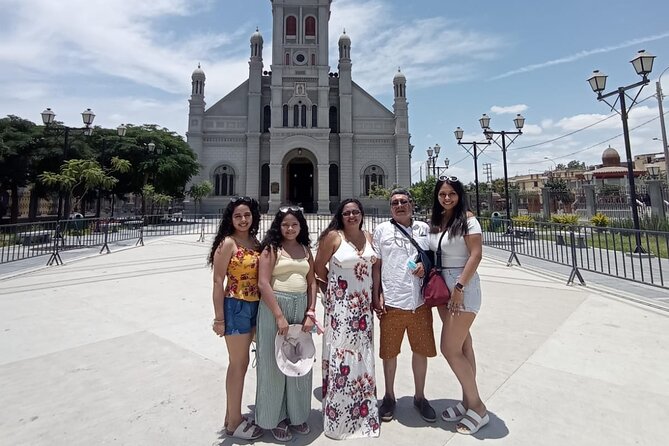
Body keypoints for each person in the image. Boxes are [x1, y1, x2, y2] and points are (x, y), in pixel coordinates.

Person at [314, 199, 380, 439]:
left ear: (362, 214)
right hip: (341, 308)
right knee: (342, 354)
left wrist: (375, 297)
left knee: (362, 354)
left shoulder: (369, 236)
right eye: (347, 212)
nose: (352, 215)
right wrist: (331, 294)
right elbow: (318, 268)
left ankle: (362, 408)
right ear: (340, 216)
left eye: (356, 212)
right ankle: (339, 412)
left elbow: (375, 269)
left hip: (363, 309)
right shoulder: (332, 237)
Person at [371, 188, 437, 423]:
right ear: (390, 208)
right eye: (395, 203)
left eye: (404, 202)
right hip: (392, 302)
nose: (400, 205)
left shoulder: (423, 229)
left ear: (411, 204)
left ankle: (420, 397)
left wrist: (426, 267)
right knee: (389, 353)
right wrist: (376, 294)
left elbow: (434, 258)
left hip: (419, 303)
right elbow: (376, 265)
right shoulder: (381, 230)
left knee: (421, 351)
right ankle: (389, 396)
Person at [428, 176, 488, 435]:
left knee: (449, 348)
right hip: (444, 285)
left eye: (452, 193)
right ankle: (467, 402)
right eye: (442, 194)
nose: (447, 198)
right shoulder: (439, 221)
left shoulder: (468, 220)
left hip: (461, 286)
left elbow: (476, 254)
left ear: (460, 195)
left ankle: (478, 407)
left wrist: (460, 288)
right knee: (463, 345)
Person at [255, 206, 318, 442]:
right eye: (285, 224)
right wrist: (279, 316)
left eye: (294, 224)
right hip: (275, 308)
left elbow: (311, 281)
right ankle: (275, 417)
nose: (290, 228)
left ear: (301, 226)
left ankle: (297, 415)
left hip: (300, 307)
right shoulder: (271, 249)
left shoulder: (304, 249)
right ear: (277, 226)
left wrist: (311, 311)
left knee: (300, 360)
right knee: (273, 364)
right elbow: (263, 283)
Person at [208, 196, 264, 441]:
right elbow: (218, 280)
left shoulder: (254, 241)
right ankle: (234, 423)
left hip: (256, 306)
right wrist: (219, 318)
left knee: (242, 364)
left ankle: (231, 415)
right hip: (236, 306)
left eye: (247, 215)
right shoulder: (227, 243)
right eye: (238, 216)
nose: (243, 220)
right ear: (230, 218)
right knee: (238, 364)